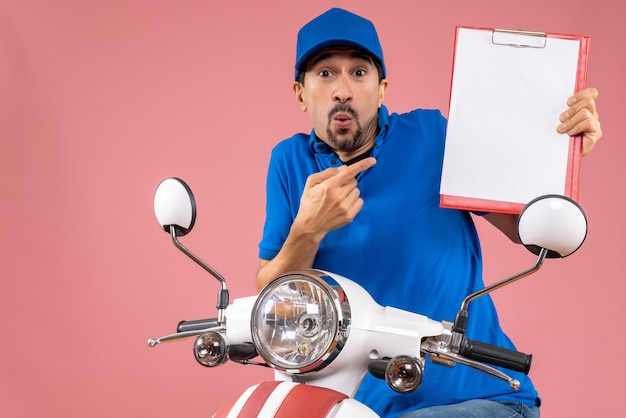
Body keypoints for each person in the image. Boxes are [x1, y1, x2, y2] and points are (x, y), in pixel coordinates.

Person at [256, 8, 601, 418]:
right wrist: (308, 232)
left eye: (359, 73)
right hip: (361, 407)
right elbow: (269, 296)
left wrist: (561, 153)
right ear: (301, 93)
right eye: (326, 74)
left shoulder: (432, 137)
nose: (342, 91)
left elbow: (526, 228)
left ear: (382, 89)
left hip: (482, 396)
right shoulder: (289, 163)